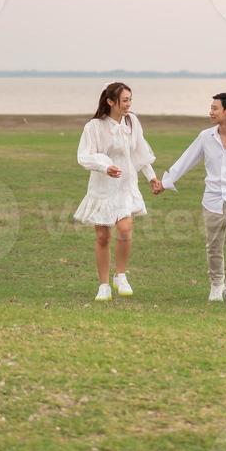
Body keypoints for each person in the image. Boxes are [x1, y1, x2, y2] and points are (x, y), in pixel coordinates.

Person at [154, 93, 226, 307]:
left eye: (215, 108)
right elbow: (188, 158)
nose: (210, 112)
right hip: (212, 199)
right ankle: (216, 283)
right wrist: (165, 182)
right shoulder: (205, 137)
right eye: (211, 108)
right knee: (213, 246)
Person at [74, 81, 162, 301]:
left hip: (125, 185)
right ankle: (103, 285)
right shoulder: (93, 127)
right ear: (110, 101)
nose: (128, 104)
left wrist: (151, 177)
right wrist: (105, 166)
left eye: (130, 99)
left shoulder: (132, 122)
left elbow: (140, 153)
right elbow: (84, 156)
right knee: (103, 236)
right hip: (102, 187)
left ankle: (120, 275)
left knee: (125, 228)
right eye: (124, 100)